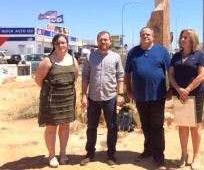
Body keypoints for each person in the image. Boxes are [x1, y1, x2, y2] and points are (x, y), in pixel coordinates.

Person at [124, 27, 172, 170]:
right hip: (140, 96)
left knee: (157, 127)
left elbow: (170, 71)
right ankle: (148, 150)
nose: (146, 36)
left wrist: (171, 89)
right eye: (143, 34)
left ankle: (159, 158)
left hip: (158, 96)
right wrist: (129, 90)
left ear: (153, 36)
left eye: (148, 34)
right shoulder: (133, 52)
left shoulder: (162, 51)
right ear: (140, 36)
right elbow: (128, 73)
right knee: (145, 125)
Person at [35, 34, 80, 168]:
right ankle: (52, 155)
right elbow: (38, 80)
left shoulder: (73, 59)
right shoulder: (47, 61)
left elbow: (75, 77)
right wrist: (52, 90)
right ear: (54, 45)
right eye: (58, 43)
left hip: (68, 97)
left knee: (65, 126)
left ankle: (63, 152)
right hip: (51, 99)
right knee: (51, 126)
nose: (61, 45)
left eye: (63, 43)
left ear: (67, 44)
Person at [80, 31, 124, 166]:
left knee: (112, 127)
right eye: (100, 40)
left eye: (105, 40)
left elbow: (120, 76)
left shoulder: (116, 57)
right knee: (91, 127)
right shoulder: (90, 57)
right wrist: (83, 95)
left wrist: (120, 94)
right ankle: (90, 154)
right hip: (93, 97)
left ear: (110, 41)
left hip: (110, 97)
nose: (103, 42)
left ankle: (111, 155)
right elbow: (85, 77)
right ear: (97, 41)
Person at [168, 29, 204, 170]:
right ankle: (184, 155)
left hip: (196, 94)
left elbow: (201, 75)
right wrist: (179, 89)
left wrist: (188, 89)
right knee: (183, 125)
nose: (182, 39)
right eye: (181, 37)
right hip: (179, 94)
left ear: (192, 40)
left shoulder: (199, 55)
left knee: (195, 126)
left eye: (185, 37)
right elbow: (171, 74)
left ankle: (196, 156)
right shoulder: (176, 56)